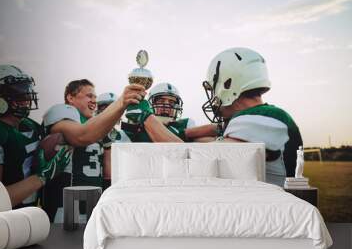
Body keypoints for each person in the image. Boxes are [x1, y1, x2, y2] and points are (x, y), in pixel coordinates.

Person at [42, 79, 145, 221]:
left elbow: (108, 174)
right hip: (65, 205)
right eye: (89, 96)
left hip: (93, 203)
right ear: (70, 98)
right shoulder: (63, 112)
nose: (94, 101)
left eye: (95, 97)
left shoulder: (96, 125)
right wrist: (121, 103)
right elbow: (81, 136)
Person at [0, 65, 70, 208]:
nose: (27, 96)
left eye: (26, 90)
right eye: (17, 92)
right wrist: (42, 177)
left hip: (29, 214)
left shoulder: (29, 126)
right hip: (0, 221)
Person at [201, 47, 303, 186]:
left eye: (214, 90)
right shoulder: (265, 115)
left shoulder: (263, 117)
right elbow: (212, 136)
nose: (214, 98)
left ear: (227, 84)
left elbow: (200, 158)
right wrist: (186, 133)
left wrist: (159, 126)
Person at [123, 82, 195, 142]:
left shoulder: (184, 127)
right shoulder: (135, 130)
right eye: (161, 101)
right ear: (150, 104)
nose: (167, 105)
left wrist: (145, 116)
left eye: (172, 102)